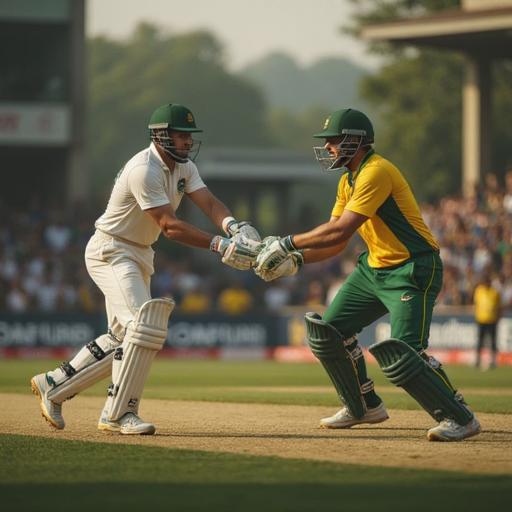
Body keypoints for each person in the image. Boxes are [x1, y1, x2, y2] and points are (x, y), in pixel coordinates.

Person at [31, 103, 261, 435]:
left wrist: (233, 226)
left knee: (122, 337)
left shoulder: (184, 167)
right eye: (180, 136)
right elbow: (169, 225)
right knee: (144, 327)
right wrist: (220, 245)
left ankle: (54, 383)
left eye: (188, 137)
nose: (186, 143)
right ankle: (119, 413)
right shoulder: (144, 169)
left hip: (140, 253)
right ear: (160, 135)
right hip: (112, 250)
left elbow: (209, 203)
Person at [255, 108, 481, 442]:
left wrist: (287, 243)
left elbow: (341, 229)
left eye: (334, 141)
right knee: (327, 333)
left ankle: (460, 417)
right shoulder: (348, 179)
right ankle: (362, 406)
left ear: (357, 141)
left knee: (403, 353)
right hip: (374, 268)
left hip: (412, 267)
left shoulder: (376, 171)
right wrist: (297, 259)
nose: (329, 147)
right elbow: (336, 239)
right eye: (328, 142)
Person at [473, 273, 501, 369]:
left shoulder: (495, 292)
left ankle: (493, 361)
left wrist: (498, 317)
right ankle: (478, 360)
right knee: (480, 341)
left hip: (492, 320)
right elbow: (476, 304)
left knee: (493, 341)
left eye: (488, 282)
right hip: (481, 319)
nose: (486, 283)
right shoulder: (479, 290)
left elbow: (499, 307)